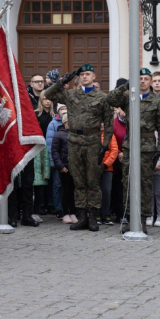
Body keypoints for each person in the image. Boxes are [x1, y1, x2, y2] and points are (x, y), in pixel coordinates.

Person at [45, 63, 114, 231]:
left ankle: (92, 217)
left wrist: (105, 146)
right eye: (82, 74)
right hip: (74, 140)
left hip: (92, 141)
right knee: (79, 181)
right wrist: (63, 82)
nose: (84, 76)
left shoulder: (102, 97)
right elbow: (48, 93)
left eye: (88, 74)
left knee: (93, 181)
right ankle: (81, 216)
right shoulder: (71, 95)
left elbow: (109, 124)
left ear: (94, 77)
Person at [106, 68, 160, 234]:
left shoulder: (157, 102)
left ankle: (142, 220)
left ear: (150, 81)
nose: (142, 81)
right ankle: (129, 218)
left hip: (148, 147)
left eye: (145, 78)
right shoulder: (128, 98)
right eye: (139, 78)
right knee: (128, 182)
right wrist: (126, 85)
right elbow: (110, 99)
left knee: (145, 183)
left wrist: (159, 150)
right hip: (130, 145)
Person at [51, 114, 76, 224]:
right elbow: (55, 152)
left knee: (74, 191)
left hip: (75, 167)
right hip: (64, 166)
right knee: (65, 190)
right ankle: (65, 212)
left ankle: (73, 212)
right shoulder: (58, 135)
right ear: (64, 123)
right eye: (68, 122)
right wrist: (60, 166)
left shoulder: (76, 135)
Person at [46, 103, 67, 218]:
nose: (64, 112)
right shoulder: (53, 124)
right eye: (62, 110)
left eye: (66, 109)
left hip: (68, 162)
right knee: (57, 185)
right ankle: (58, 208)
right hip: (57, 161)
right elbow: (50, 145)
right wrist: (54, 162)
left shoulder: (70, 123)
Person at [98, 124, 118, 225]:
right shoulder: (93, 134)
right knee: (96, 191)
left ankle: (106, 214)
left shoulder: (110, 135)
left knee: (106, 191)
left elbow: (114, 151)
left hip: (107, 168)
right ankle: (96, 214)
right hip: (94, 168)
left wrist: (106, 164)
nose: (101, 125)